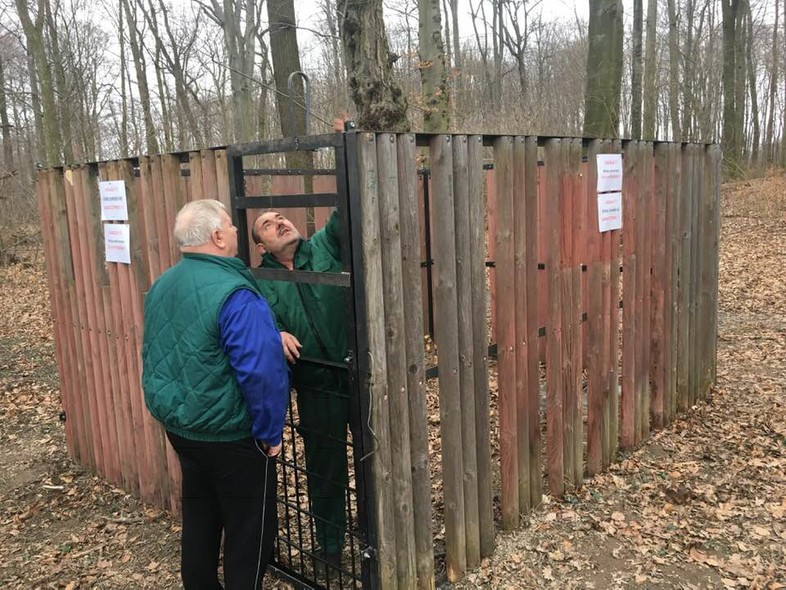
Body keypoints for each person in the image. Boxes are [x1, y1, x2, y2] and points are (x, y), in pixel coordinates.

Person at [142, 199, 289, 590]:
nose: (237, 230)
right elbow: (260, 371)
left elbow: (167, 350)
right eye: (231, 224)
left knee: (200, 515)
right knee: (250, 531)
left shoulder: (163, 284)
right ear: (218, 236)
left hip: (183, 428)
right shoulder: (234, 293)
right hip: (230, 434)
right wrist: (270, 432)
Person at [251, 208, 349, 571]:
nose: (279, 221)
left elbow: (347, 213)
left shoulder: (325, 246)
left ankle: (377, 528)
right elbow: (254, 320)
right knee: (326, 469)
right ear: (261, 245)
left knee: (376, 457)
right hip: (315, 387)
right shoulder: (260, 279)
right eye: (267, 223)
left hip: (357, 375)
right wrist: (273, 334)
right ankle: (331, 546)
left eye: (280, 215)